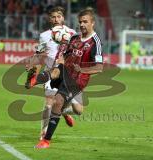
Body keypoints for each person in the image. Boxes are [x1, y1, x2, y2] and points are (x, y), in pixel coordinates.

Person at [34, 7, 104, 149]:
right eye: (80, 22)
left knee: (78, 110)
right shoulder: (74, 37)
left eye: (85, 22)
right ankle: (46, 139)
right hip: (64, 73)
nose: (82, 25)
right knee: (56, 100)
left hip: (77, 80)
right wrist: (60, 61)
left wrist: (81, 69)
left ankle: (61, 112)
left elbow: (99, 67)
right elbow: (64, 55)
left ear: (92, 23)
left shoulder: (95, 42)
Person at [25, 6, 76, 140]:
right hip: (49, 73)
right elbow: (40, 55)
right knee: (48, 103)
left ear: (63, 18)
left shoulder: (72, 33)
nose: (56, 19)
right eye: (53, 17)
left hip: (66, 73)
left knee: (77, 109)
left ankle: (64, 111)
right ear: (49, 19)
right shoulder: (44, 35)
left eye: (59, 16)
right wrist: (33, 74)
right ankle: (44, 133)